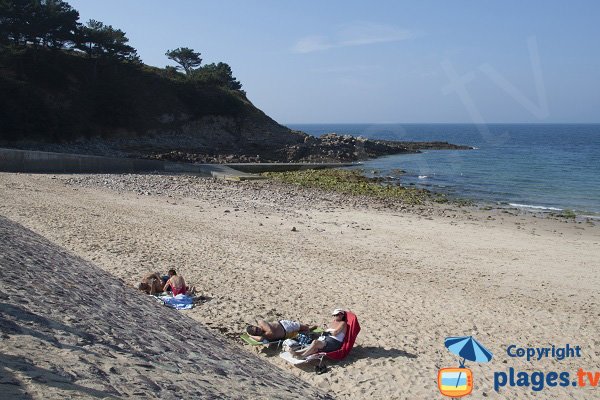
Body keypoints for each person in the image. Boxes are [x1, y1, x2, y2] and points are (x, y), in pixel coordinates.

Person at [246, 319, 315, 342]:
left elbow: (271, 332)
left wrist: (262, 336)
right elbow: (261, 339)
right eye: (256, 332)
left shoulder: (261, 323)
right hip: (285, 335)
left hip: (285, 326)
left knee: (306, 328)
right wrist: (250, 336)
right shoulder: (261, 335)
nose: (258, 330)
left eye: (257, 328)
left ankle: (311, 326)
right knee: (302, 333)